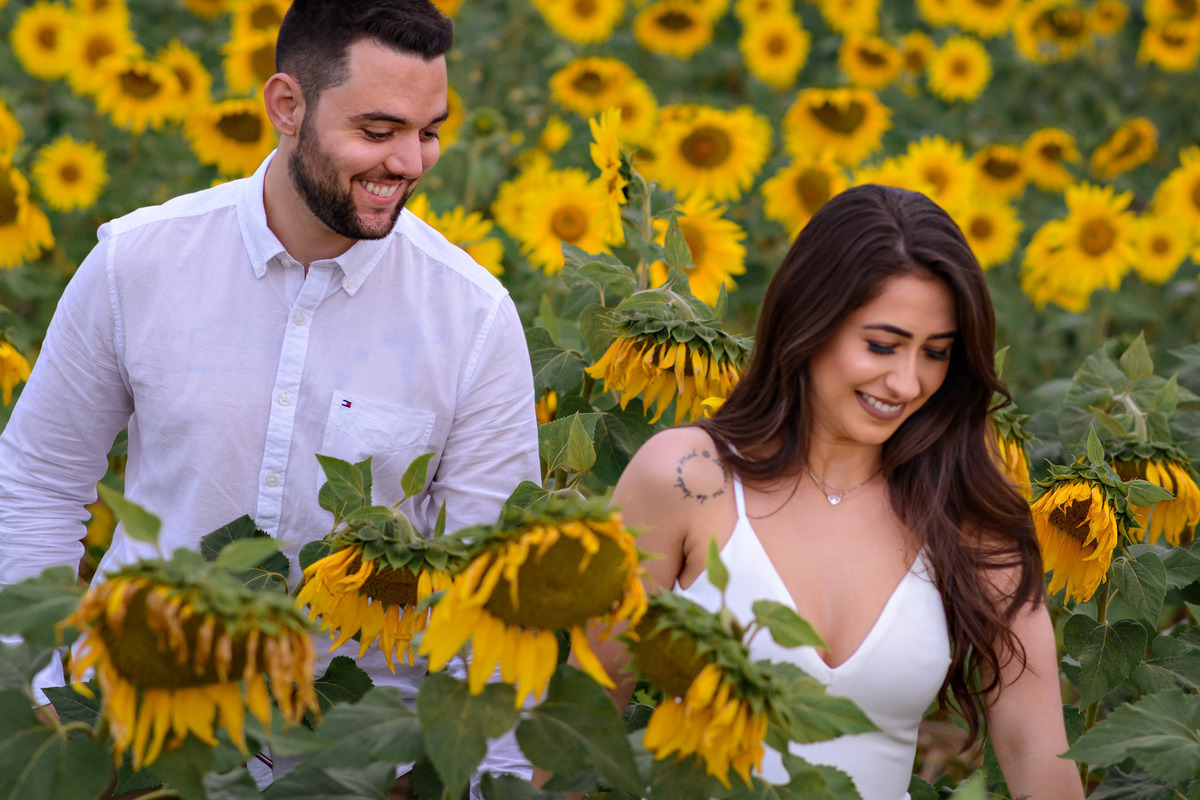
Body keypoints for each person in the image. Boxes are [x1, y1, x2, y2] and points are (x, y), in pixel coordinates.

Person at [0, 0, 539, 796]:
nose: (411, 163)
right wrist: (42, 695)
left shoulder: (471, 316)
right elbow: (37, 488)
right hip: (137, 732)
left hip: (353, 758)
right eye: (379, 131)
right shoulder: (139, 262)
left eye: (429, 131)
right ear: (287, 107)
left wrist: (490, 775)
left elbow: (490, 585)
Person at [602, 185, 1083, 799]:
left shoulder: (967, 513)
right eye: (881, 345)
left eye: (935, 354)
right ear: (810, 320)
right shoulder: (687, 477)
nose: (907, 382)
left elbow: (1035, 748)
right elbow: (585, 706)